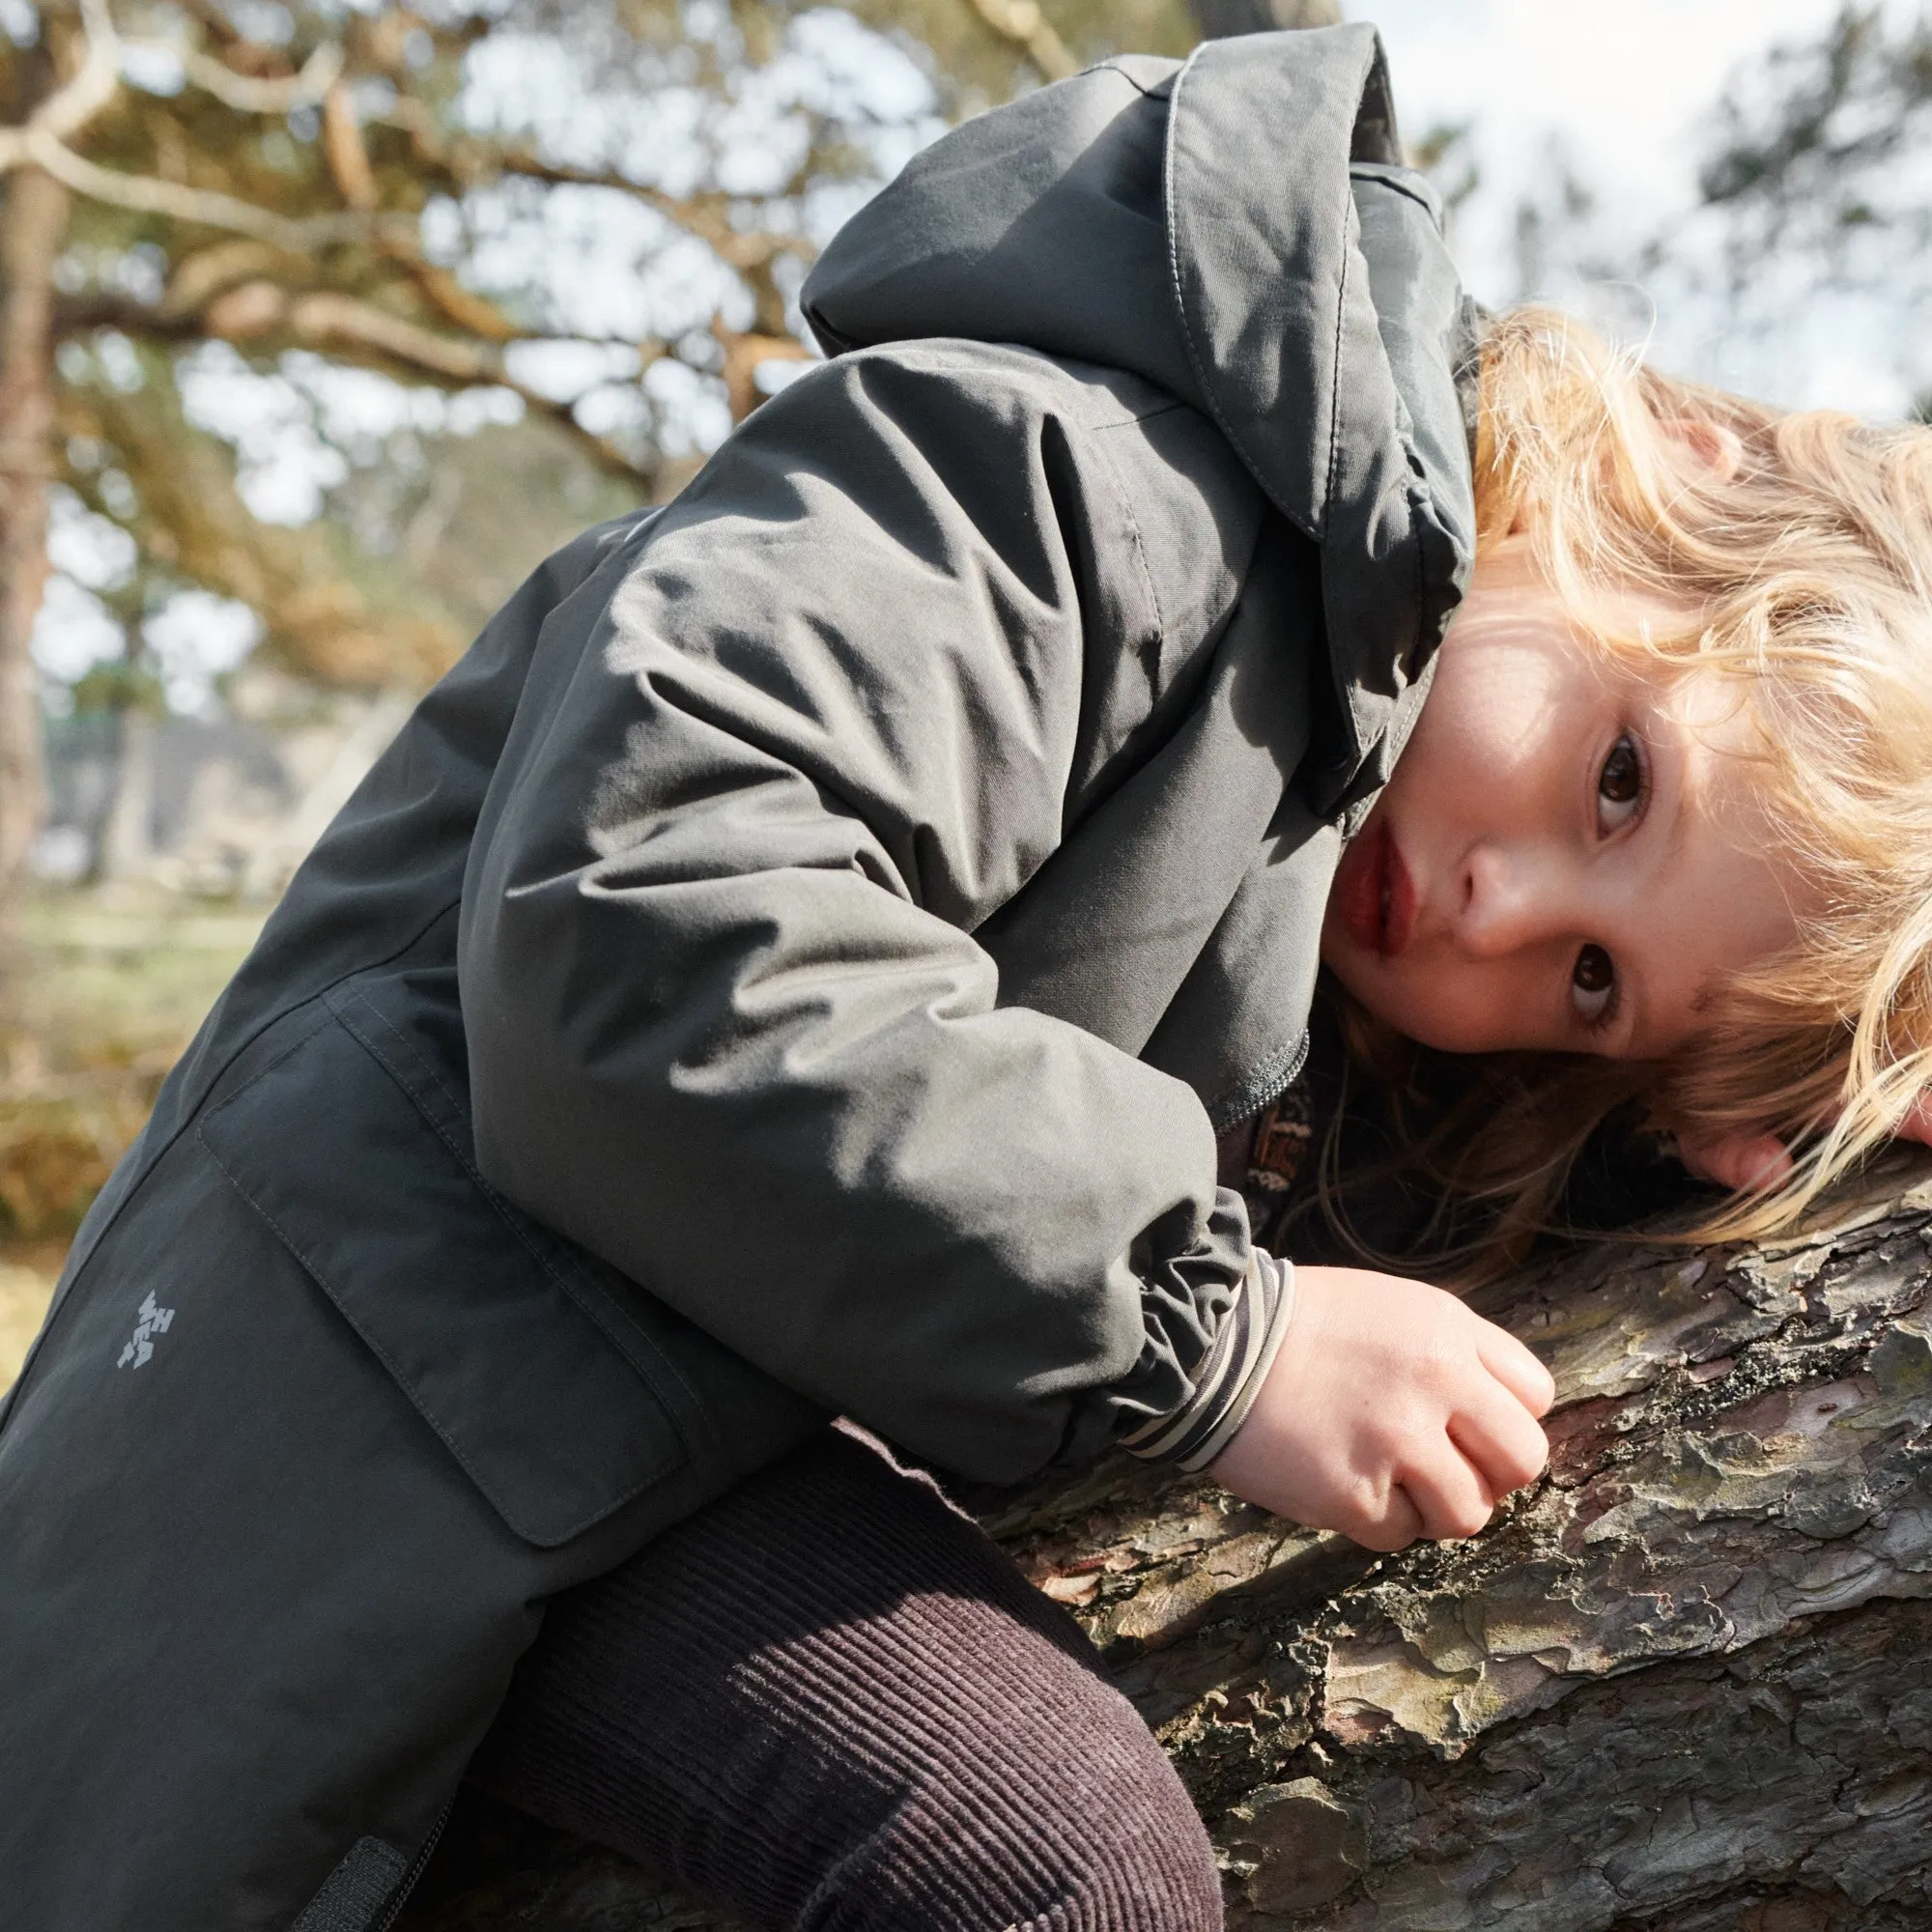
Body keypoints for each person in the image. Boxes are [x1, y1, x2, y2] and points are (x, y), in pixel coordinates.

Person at [1, 23, 1927, 1932]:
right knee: (1048, 1863)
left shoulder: (1349, 801)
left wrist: (1772, 1132)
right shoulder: (1093, 478)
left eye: (1593, 986)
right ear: (1663, 465)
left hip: (640, 1392)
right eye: (1617, 781)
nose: (1501, 911)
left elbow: (1337, 1180)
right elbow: (646, 917)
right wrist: (1217, 1340)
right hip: (421, 1348)